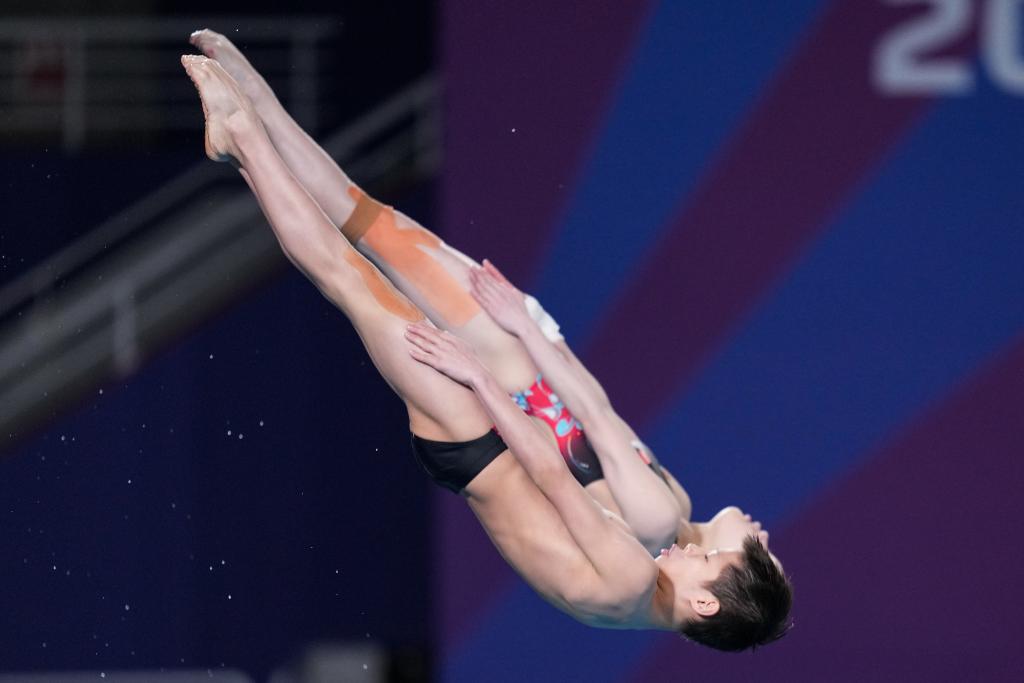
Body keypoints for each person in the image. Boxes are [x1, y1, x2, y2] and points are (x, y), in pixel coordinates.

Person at [181, 47, 791, 648]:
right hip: (493, 433)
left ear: (706, 601)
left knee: (352, 278)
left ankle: (246, 134)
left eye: (747, 556)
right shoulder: (636, 588)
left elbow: (553, 472)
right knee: (355, 270)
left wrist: (482, 373)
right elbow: (577, 439)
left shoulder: (638, 569)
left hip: (480, 438)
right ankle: (244, 139)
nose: (760, 538)